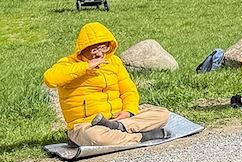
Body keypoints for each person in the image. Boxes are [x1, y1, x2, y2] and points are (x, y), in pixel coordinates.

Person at [43, 22, 171, 146]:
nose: (99, 54)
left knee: (162, 114)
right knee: (96, 137)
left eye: (103, 48)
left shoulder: (114, 62)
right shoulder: (69, 63)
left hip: (118, 118)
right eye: (94, 49)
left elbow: (128, 90)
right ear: (83, 49)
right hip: (87, 124)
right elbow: (50, 79)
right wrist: (86, 66)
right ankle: (141, 137)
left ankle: (119, 127)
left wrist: (128, 111)